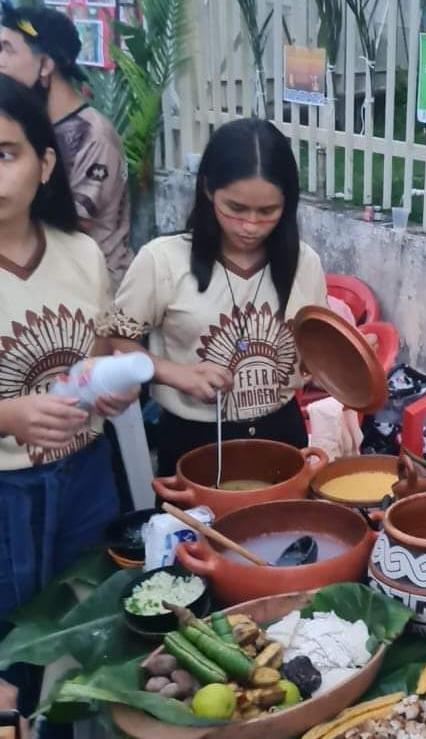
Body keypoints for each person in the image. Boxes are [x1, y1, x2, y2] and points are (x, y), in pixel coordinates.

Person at [0, 74, 136, 720]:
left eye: (6, 153)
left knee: (86, 638)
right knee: (11, 651)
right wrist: (10, 414)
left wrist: (112, 388)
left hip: (86, 477)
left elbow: (104, 348)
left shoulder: (81, 254)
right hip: (5, 493)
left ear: (45, 162)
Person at [103, 118, 328, 476]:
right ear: (208, 189)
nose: (250, 226)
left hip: (282, 434)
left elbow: (314, 354)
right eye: (236, 208)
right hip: (194, 439)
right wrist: (176, 374)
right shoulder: (162, 260)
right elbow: (114, 341)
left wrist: (344, 361)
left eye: (267, 211)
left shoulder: (305, 263)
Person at [0, 2, 131, 292]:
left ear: (46, 65)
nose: (0, 60)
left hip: (91, 293)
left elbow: (69, 224)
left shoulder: (94, 135)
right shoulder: (25, 126)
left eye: (7, 49)